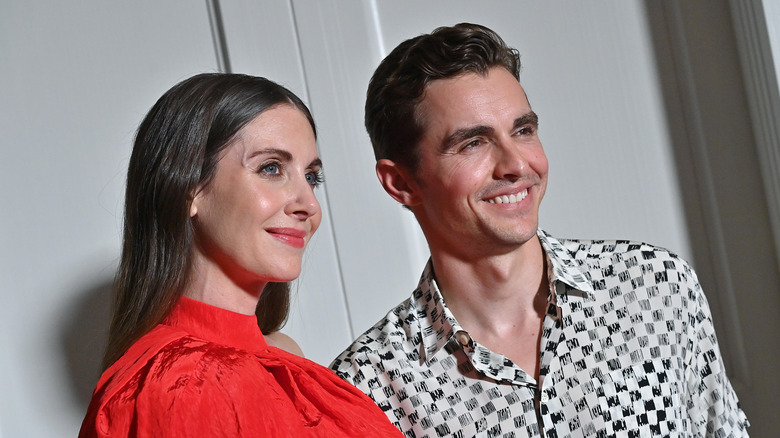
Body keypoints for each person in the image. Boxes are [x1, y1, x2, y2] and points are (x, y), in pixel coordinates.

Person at [330, 23, 750, 437]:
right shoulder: (367, 385)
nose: (516, 164)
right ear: (401, 183)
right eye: (473, 142)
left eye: (523, 131)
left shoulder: (652, 288)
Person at [79, 73, 403, 437]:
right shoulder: (176, 385)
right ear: (190, 189)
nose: (309, 205)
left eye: (311, 177)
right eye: (271, 168)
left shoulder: (286, 365)